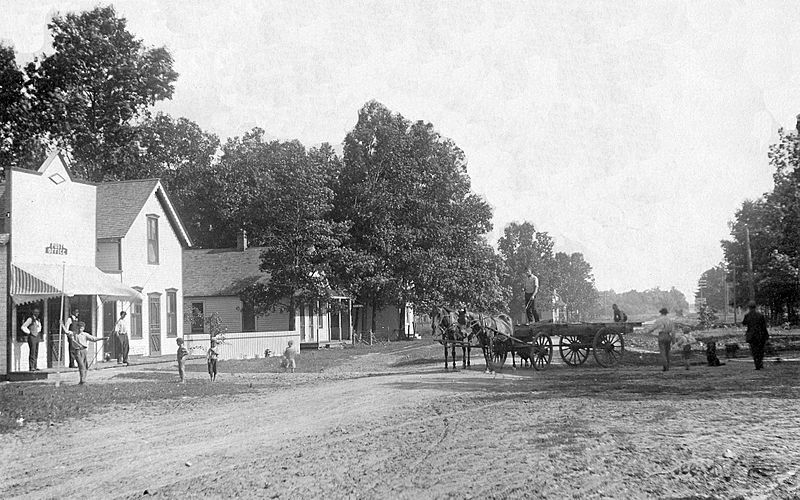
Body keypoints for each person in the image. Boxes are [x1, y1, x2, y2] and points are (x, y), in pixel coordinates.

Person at [742, 301, 769, 370]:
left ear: (749, 308)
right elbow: (764, 326)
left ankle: (757, 365)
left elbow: (744, 323)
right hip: (760, 335)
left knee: (754, 351)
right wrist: (766, 335)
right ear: (755, 307)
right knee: (760, 350)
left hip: (751, 336)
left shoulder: (747, 315)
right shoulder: (760, 315)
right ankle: (760, 363)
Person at [21, 307, 43, 371]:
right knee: (32, 351)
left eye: (38, 312)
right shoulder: (30, 319)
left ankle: (35, 366)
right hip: (32, 337)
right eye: (36, 312)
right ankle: (31, 367)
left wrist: (38, 331)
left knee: (36, 351)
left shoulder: (38, 320)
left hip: (37, 336)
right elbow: (23, 327)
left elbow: (39, 327)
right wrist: (29, 332)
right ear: (33, 312)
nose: (37, 314)